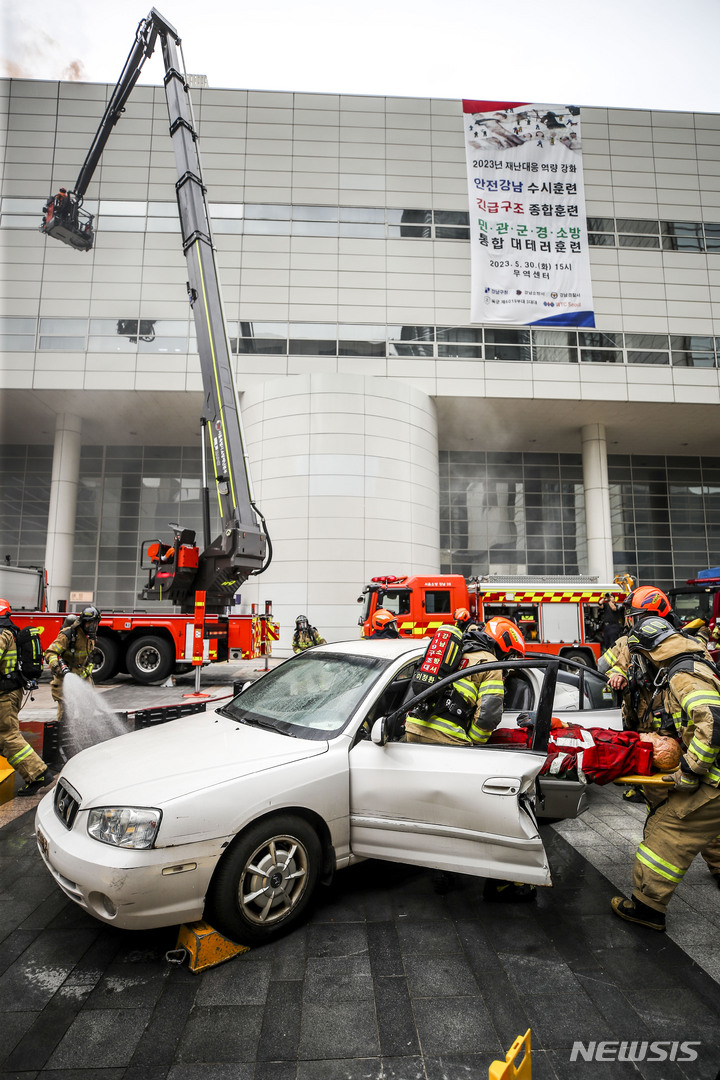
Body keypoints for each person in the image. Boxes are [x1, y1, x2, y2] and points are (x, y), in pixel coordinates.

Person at [598, 586, 720, 888]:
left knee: (700, 809)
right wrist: (619, 674)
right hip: (650, 736)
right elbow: (604, 666)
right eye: (632, 617)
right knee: (658, 803)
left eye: (639, 616)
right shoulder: (630, 642)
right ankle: (660, 843)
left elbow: (708, 713)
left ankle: (717, 864)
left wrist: (692, 767)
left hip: (683, 737)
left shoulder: (687, 645)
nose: (633, 621)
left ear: (658, 616)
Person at [406, 616, 532, 902]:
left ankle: (429, 861)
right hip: (446, 741)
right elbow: (488, 714)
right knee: (460, 811)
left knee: (429, 806)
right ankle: (450, 869)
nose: (509, 663)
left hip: (413, 732)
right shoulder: (490, 663)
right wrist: (474, 744)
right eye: (511, 655)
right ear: (504, 645)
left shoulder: (455, 651)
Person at [0, 599, 56, 796]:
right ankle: (35, 773)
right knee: (4, 738)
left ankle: (38, 774)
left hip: (5, 695)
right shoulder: (11, 631)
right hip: (9, 692)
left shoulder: (2, 633)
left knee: (8, 736)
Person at [45, 605, 101, 729]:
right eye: (89, 623)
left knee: (88, 709)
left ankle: (85, 732)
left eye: (94, 623)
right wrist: (57, 667)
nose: (92, 626)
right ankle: (62, 734)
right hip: (65, 678)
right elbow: (50, 653)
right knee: (66, 713)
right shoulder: (69, 634)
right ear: (83, 622)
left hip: (83, 677)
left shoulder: (90, 636)